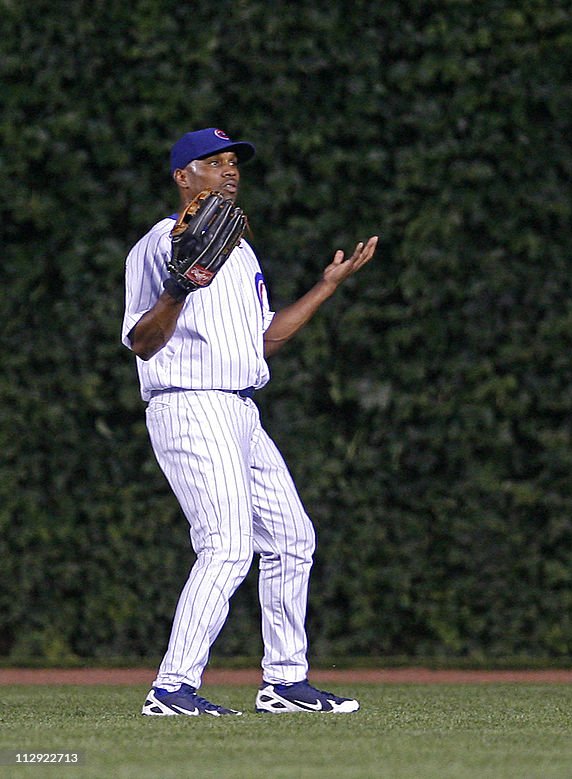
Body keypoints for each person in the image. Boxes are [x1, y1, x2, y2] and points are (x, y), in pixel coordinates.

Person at [122, 127, 377, 716]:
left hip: (239, 407)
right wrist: (178, 289)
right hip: (189, 401)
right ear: (183, 176)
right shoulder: (161, 243)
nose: (229, 172)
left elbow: (265, 340)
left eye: (233, 162)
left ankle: (285, 682)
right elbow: (141, 341)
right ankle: (172, 688)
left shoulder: (239, 249)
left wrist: (325, 287)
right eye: (212, 163)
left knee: (292, 539)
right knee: (228, 545)